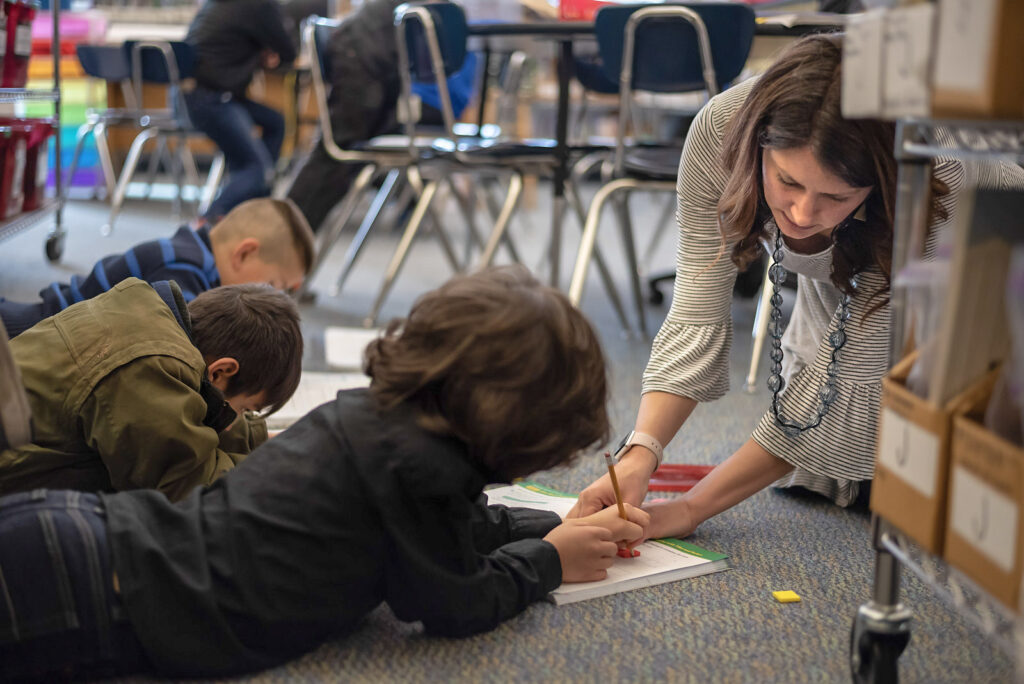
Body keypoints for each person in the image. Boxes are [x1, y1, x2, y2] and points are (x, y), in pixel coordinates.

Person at [0, 265, 648, 681]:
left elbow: (457, 527)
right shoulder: (421, 474)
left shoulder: (373, 417)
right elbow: (455, 602)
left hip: (83, 537)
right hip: (95, 597)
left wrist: (558, 522)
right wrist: (549, 562)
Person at [570, 34, 1019, 538]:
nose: (803, 214)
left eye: (835, 194)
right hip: (862, 248)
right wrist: (640, 453)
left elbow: (844, 382)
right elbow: (696, 311)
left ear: (880, 184)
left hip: (995, 263)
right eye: (787, 181)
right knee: (850, 457)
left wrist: (692, 508)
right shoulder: (720, 130)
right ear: (757, 145)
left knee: (949, 485)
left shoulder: (934, 177)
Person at [0, 278, 303, 502]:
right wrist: (289, 469)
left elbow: (197, 416)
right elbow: (190, 492)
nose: (241, 418)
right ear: (222, 371)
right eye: (247, 409)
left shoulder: (145, 316)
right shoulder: (148, 368)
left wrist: (268, 441)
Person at [285, 0, 476, 233]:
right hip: (363, 52)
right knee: (338, 153)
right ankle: (286, 232)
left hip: (379, 55)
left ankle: (293, 233)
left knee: (348, 156)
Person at [0, 198, 314, 338]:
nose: (274, 298)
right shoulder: (183, 269)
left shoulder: (194, 256)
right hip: (30, 336)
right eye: (273, 284)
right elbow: (188, 353)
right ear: (244, 253)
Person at [184, 0, 297, 220]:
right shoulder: (261, 5)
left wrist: (257, 50)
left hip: (190, 96)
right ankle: (207, 222)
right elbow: (288, 51)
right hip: (214, 100)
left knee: (275, 122)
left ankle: (255, 206)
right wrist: (263, 51)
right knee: (258, 169)